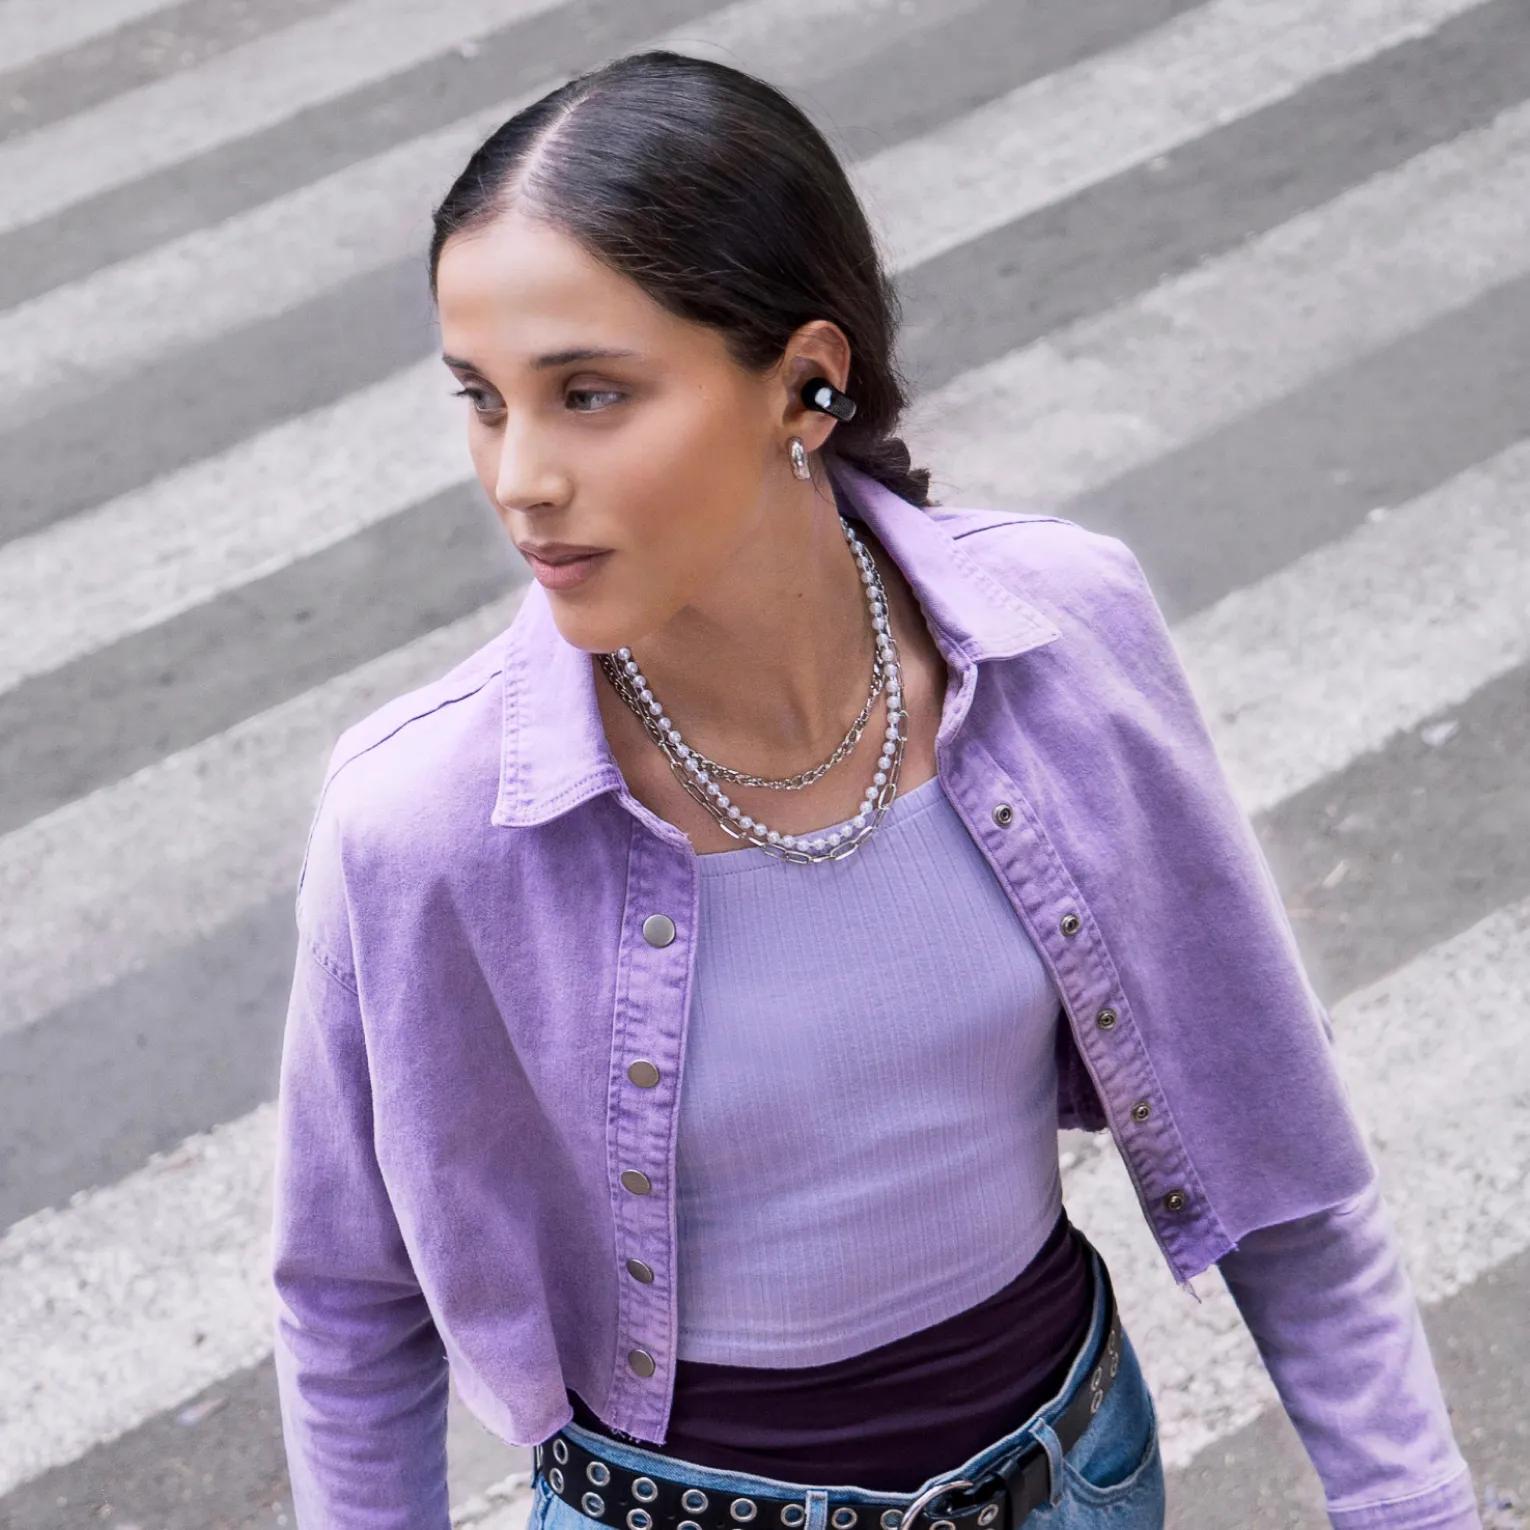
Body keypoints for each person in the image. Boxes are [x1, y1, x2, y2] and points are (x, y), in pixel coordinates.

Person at [269, 49, 1481, 1530]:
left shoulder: (1058, 638)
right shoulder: (425, 818)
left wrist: (1409, 1504)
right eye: (483, 400)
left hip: (1071, 1481)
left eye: (588, 394)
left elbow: (1276, 1144)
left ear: (805, 382)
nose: (518, 476)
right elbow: (347, 1304)